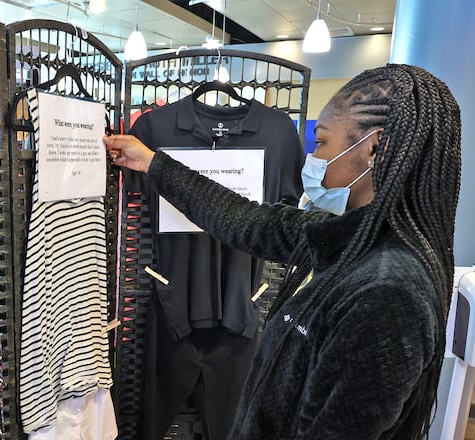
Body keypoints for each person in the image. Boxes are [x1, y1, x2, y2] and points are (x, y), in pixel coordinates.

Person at [104, 64, 461, 439]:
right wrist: (152, 162)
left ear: (373, 148)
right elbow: (243, 219)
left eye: (321, 143)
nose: (313, 158)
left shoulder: (389, 294)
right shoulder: (347, 237)